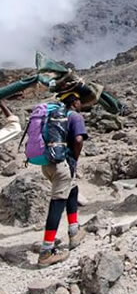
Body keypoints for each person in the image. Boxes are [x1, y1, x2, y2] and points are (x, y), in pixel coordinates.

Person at [38, 91, 88, 267]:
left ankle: (74, 230)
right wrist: (75, 157)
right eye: (79, 100)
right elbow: (79, 139)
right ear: (74, 102)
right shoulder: (75, 116)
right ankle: (46, 251)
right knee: (57, 203)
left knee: (72, 190)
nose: (81, 104)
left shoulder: (53, 115)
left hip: (48, 164)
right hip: (62, 165)